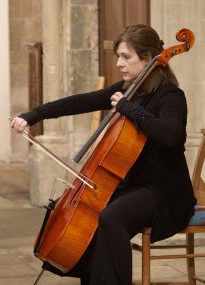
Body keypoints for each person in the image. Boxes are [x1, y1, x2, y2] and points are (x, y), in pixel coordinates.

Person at [11, 24, 197, 285]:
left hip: (164, 191)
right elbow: (80, 101)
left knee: (112, 217)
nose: (120, 63)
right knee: (93, 218)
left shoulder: (170, 96)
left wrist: (127, 108)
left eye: (126, 57)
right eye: (118, 56)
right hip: (133, 186)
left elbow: (170, 135)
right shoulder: (130, 90)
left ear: (148, 58)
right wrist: (31, 116)